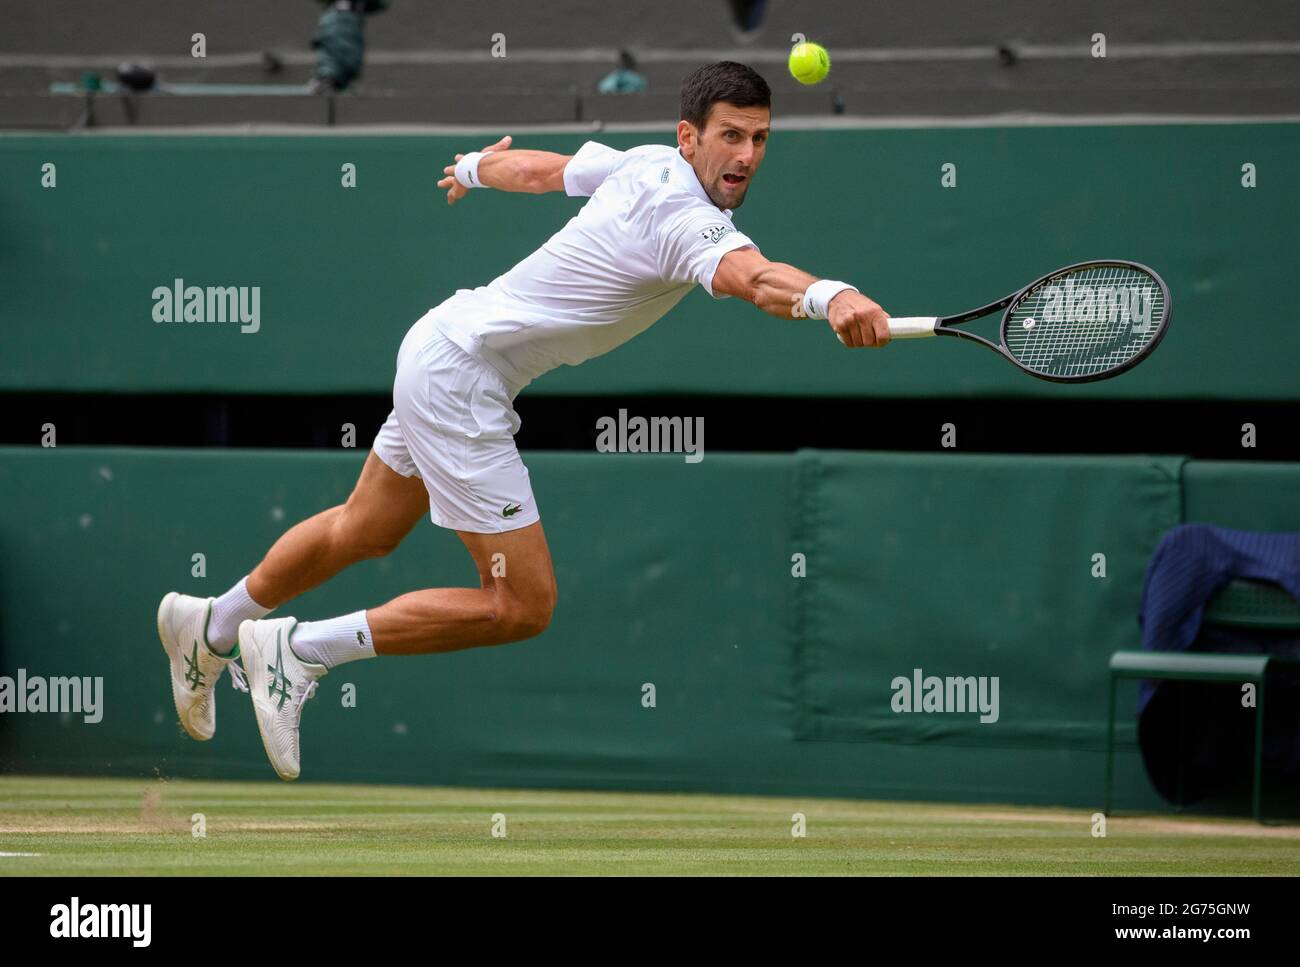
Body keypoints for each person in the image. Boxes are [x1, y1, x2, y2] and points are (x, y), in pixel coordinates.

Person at [156, 61, 891, 781]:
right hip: (464, 379)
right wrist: (832, 295)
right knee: (521, 604)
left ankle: (211, 626)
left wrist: (476, 168)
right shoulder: (682, 215)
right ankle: (303, 649)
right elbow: (753, 278)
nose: (746, 156)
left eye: (760, 139)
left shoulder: (644, 163)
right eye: (730, 135)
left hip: (440, 346)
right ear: (688, 136)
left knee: (366, 527)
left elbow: (547, 171)